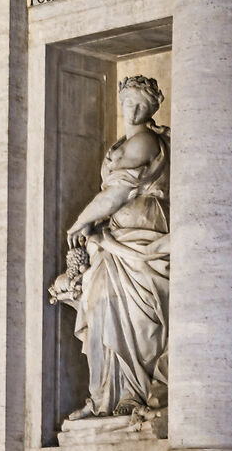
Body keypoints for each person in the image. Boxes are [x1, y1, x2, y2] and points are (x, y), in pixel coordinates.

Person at [51, 74, 170, 420]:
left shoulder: (146, 142)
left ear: (151, 108)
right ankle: (105, 395)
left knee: (140, 320)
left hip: (141, 236)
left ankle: (136, 393)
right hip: (112, 240)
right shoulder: (119, 146)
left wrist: (79, 223)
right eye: (126, 103)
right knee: (102, 308)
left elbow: (119, 192)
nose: (131, 110)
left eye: (140, 105)